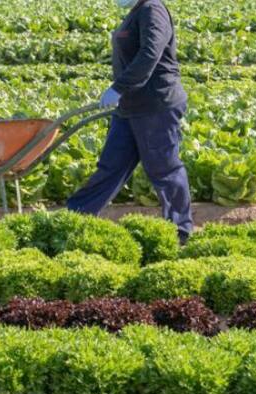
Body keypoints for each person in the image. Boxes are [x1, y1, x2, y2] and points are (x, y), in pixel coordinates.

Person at [67, 0, 194, 245]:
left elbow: (150, 53)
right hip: (129, 106)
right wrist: (121, 92)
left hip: (156, 104)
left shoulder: (152, 10)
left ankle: (180, 232)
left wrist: (119, 87)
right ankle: (75, 215)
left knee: (164, 168)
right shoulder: (136, 12)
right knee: (111, 166)